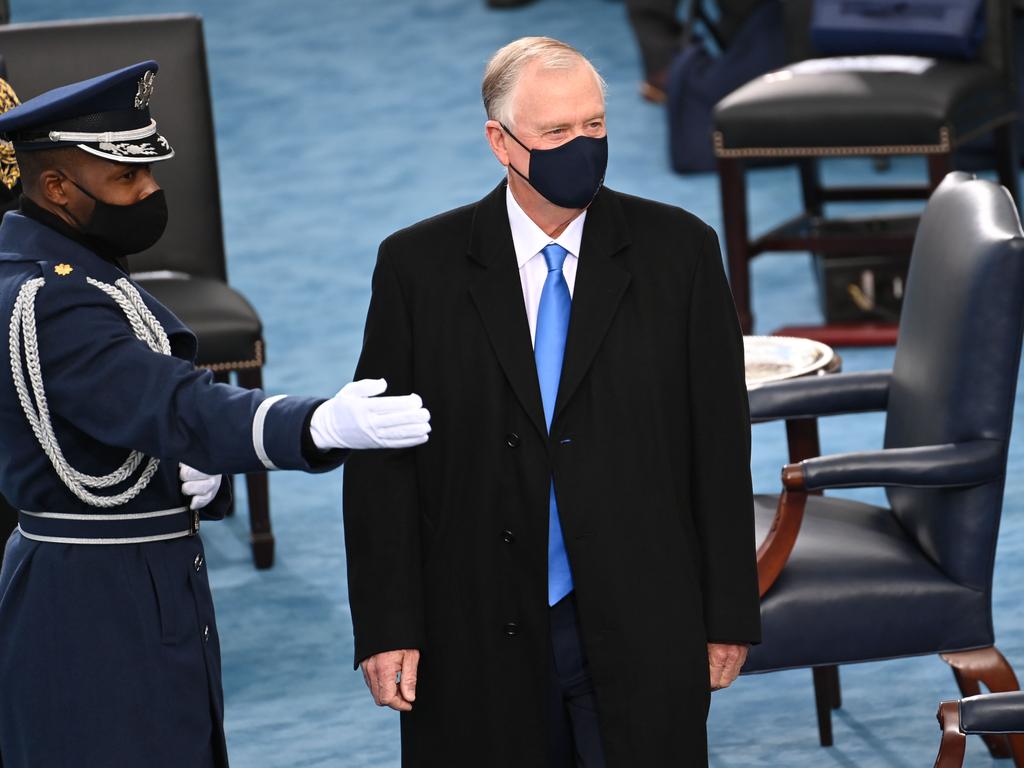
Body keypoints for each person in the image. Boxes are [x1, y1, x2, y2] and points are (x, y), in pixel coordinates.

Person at [343, 36, 760, 767]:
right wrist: (386, 625)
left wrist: (728, 613)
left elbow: (719, 447)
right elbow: (383, 459)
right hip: (472, 630)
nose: (583, 146)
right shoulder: (417, 269)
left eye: (594, 126)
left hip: (641, 623)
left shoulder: (681, 252)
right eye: (557, 133)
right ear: (500, 142)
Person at [0, 61, 431, 768]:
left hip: (139, 570)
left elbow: (118, 413)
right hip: (90, 604)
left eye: (148, 172)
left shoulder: (76, 262)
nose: (150, 191)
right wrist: (313, 424)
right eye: (126, 180)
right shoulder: (53, 299)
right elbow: (171, 401)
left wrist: (179, 464)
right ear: (55, 187)